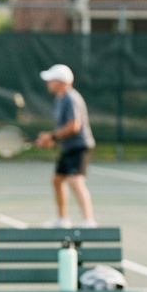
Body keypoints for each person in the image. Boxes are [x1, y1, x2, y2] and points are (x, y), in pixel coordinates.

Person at [35, 64, 96, 228]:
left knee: (75, 181)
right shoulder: (60, 99)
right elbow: (64, 128)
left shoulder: (71, 98)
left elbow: (74, 125)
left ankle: (88, 221)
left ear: (60, 81)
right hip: (68, 147)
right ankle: (62, 219)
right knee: (57, 180)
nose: (48, 82)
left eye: (51, 79)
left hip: (80, 146)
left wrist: (52, 136)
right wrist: (51, 140)